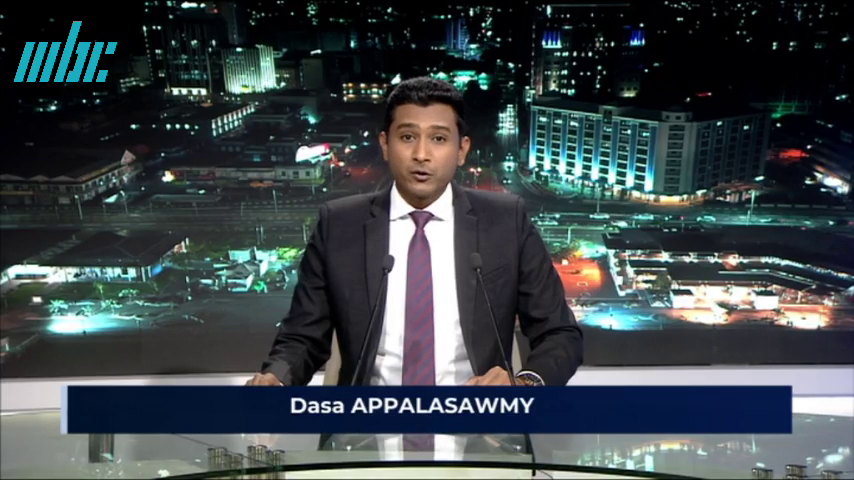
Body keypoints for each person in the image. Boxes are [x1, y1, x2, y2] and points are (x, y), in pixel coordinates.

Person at [247, 76, 583, 454]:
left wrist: (525, 385)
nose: (422, 154)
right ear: (385, 144)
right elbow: (302, 336)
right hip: (365, 441)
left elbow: (560, 334)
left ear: (461, 149)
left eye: (438, 138)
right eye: (407, 137)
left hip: (482, 438)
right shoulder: (339, 225)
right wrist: (277, 379)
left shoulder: (505, 222)